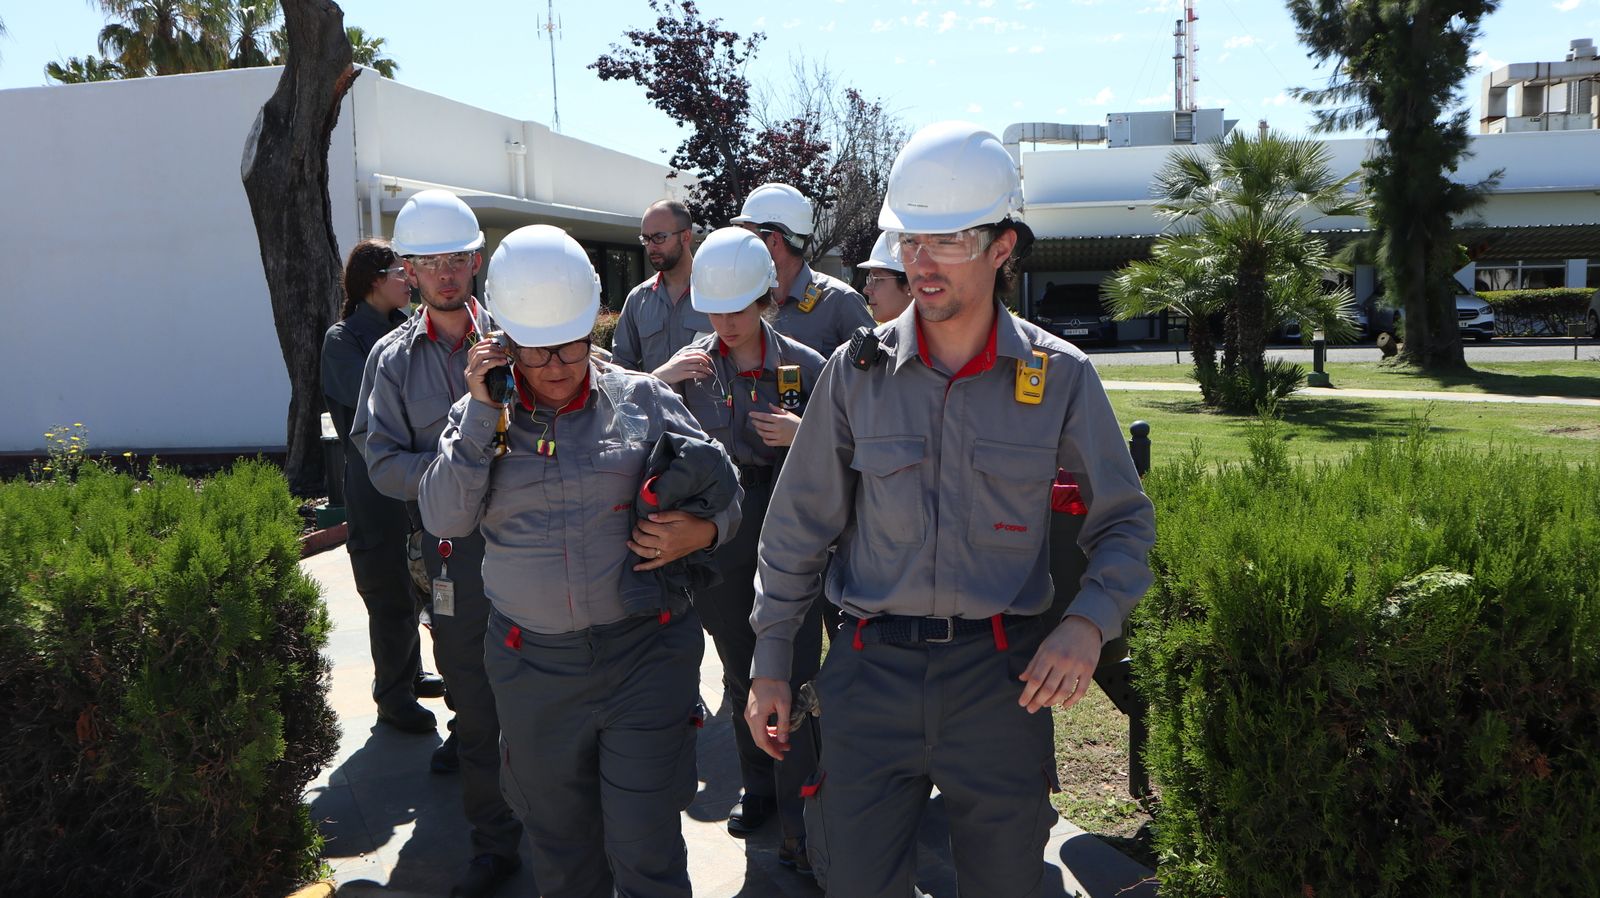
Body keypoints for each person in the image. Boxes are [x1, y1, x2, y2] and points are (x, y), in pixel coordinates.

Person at [744, 121, 1157, 897]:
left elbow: (1124, 521)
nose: (921, 263)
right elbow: (798, 527)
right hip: (870, 675)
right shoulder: (856, 373)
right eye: (909, 240)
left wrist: (1086, 622)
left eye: (949, 240)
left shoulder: (1058, 376)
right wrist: (770, 658)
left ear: (1004, 246)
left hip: (999, 681)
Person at [419, 224, 741, 898]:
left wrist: (702, 533)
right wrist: (482, 415)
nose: (557, 365)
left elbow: (728, 492)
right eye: (535, 352)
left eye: (569, 345)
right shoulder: (478, 416)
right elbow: (445, 518)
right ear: (503, 342)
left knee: (646, 846)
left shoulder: (642, 398)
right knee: (563, 852)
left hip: (643, 659)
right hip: (534, 669)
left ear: (593, 326)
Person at [351, 190, 523, 898]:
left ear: (477, 262)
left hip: (536, 541)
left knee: (554, 695)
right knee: (475, 703)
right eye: (430, 263)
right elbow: (379, 456)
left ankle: (567, 830)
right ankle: (495, 842)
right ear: (410, 272)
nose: (446, 274)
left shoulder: (523, 337)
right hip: (456, 553)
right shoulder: (392, 360)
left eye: (457, 259)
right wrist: (454, 478)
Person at [653, 228, 828, 863]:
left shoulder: (807, 367)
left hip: (789, 526)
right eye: (714, 308)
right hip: (717, 531)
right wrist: (658, 379)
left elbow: (848, 456)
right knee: (739, 670)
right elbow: (624, 428)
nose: (725, 322)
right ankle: (758, 788)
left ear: (764, 300)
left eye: (738, 307)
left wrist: (803, 432)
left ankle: (801, 804)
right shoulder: (689, 369)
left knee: (795, 673)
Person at [321, 238, 445, 736]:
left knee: (421, 582)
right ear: (375, 280)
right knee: (388, 590)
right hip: (375, 491)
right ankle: (392, 698)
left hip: (414, 486)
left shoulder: (405, 328)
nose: (409, 278)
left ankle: (411, 675)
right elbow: (378, 407)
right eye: (401, 270)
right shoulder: (344, 339)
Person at [731, 182, 874, 357]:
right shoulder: (744, 300)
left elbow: (874, 375)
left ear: (774, 239)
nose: (744, 244)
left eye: (750, 235)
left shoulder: (840, 301)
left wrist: (806, 362)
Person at [611, 199, 708, 374]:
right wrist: (657, 379)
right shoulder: (638, 299)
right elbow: (620, 369)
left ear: (686, 236)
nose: (651, 247)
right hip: (654, 401)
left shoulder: (717, 291)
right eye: (646, 239)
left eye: (659, 237)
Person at [857, 232, 915, 324]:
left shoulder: (934, 337)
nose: (866, 290)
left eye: (877, 279)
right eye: (869, 279)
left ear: (910, 285)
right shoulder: (886, 337)